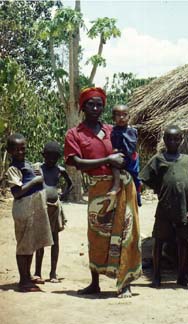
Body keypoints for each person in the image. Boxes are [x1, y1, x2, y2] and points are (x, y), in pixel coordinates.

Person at [64, 87, 142, 298]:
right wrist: (107, 160)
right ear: (83, 107)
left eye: (99, 104)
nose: (96, 108)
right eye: (91, 104)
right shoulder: (75, 134)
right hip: (98, 188)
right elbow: (77, 163)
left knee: (126, 231)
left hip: (124, 187)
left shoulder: (112, 130)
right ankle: (95, 282)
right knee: (97, 233)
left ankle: (125, 282)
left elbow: (130, 151)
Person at [140, 125, 188, 288]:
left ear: (181, 140)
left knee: (182, 241)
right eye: (169, 138)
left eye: (176, 139)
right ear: (164, 140)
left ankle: (181, 275)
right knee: (159, 240)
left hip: (183, 207)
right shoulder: (158, 159)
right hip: (164, 207)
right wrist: (159, 188)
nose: (172, 141)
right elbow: (145, 177)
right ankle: (157, 276)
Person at [5, 133, 53, 292]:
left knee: (31, 243)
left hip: (33, 208)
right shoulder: (13, 169)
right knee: (24, 244)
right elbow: (17, 193)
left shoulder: (27, 163)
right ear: (10, 151)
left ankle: (28, 274)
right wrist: (34, 181)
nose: (20, 152)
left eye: (22, 148)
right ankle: (23, 280)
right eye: (16, 149)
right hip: (24, 209)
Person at [33, 141, 73, 283]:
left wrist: (64, 194)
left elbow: (70, 183)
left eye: (54, 157)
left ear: (58, 158)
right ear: (44, 156)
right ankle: (37, 272)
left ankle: (53, 273)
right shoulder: (38, 169)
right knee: (41, 240)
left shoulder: (60, 170)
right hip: (41, 208)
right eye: (48, 157)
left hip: (55, 208)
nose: (51, 160)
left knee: (55, 240)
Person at [108, 104, 142, 206]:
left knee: (136, 178)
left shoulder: (132, 130)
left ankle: (138, 197)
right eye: (118, 115)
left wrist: (119, 150)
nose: (121, 117)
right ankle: (117, 185)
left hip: (131, 158)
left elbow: (131, 146)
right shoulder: (113, 131)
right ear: (113, 118)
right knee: (113, 164)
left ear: (129, 117)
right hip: (120, 157)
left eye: (124, 115)